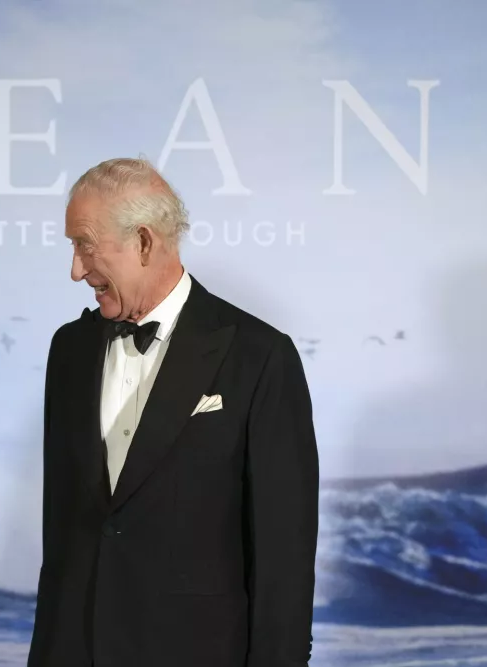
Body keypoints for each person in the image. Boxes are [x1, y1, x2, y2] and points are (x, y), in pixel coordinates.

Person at [28, 158, 319, 667]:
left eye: (85, 245)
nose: (75, 269)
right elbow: (62, 532)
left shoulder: (258, 356)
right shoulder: (69, 349)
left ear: (144, 242)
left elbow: (284, 554)